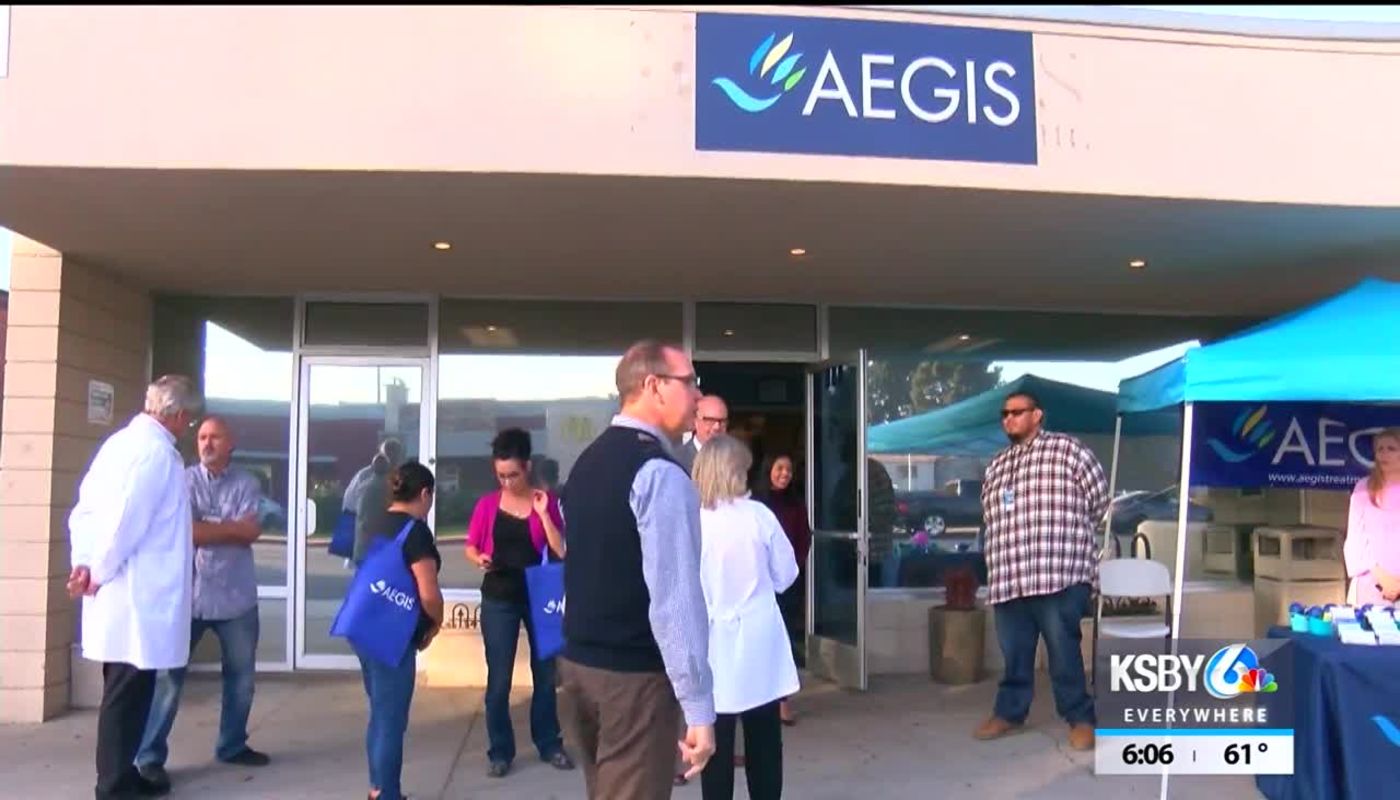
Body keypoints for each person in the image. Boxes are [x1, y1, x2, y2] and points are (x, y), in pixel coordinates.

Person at [558, 340, 717, 800]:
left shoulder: (587, 463)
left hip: (579, 667)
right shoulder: (659, 474)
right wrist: (699, 708)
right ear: (654, 386)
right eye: (690, 382)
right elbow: (675, 601)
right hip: (632, 680)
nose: (698, 395)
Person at [67, 375, 202, 800]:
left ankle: (123, 775)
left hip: (125, 590)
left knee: (131, 691)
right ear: (178, 415)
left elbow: (85, 511)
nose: (189, 427)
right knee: (126, 696)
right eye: (190, 420)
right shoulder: (154, 455)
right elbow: (126, 523)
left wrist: (84, 563)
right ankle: (112, 786)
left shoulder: (119, 445)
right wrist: (96, 571)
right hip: (136, 595)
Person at [135, 416, 271, 793]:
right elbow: (182, 531)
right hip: (186, 598)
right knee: (167, 680)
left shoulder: (247, 483)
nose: (207, 443)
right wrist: (228, 528)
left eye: (215, 437)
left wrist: (206, 528)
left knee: (241, 680)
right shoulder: (182, 481)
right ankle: (149, 758)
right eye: (202, 437)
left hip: (236, 598)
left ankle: (232, 745)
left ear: (231, 443)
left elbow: (250, 531)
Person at [974, 390, 1108, 753]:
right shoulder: (998, 464)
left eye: (1017, 412)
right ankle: (1009, 713)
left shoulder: (1069, 451)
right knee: (1014, 654)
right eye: (1004, 414)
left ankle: (1080, 719)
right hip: (1011, 576)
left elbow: (1099, 502)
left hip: (1058, 574)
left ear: (1037, 415)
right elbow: (991, 515)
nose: (1009, 419)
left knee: (1064, 653)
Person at [694, 435, 800, 800]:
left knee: (715, 741)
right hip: (758, 640)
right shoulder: (759, 516)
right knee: (765, 738)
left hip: (712, 641)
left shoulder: (693, 521)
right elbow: (786, 575)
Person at [464, 428, 574, 778]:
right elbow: (470, 546)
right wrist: (479, 558)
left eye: (513, 474)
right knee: (499, 680)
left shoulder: (547, 501)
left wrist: (543, 514)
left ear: (527, 467)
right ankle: (500, 751)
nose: (507, 482)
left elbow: (561, 550)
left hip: (539, 597)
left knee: (545, 675)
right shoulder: (487, 505)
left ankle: (549, 742)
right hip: (499, 596)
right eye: (501, 476)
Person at [353, 461, 444, 800]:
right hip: (392, 633)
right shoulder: (415, 532)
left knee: (379, 715)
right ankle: (387, 793)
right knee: (391, 720)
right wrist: (434, 625)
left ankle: (377, 787)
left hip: (364, 626)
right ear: (425, 493)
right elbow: (429, 593)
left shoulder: (373, 522)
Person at [754, 452, 811, 726]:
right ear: (769, 470)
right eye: (779, 468)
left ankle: (782, 703)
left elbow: (803, 540)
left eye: (788, 469)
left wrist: (791, 569)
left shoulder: (796, 504)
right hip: (758, 585)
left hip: (787, 585)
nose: (784, 474)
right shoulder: (755, 504)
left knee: (783, 642)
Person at [1345, 428, 1400, 604]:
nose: (1384, 454)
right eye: (1379, 449)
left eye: (1391, 449)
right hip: (1371, 583)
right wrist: (1383, 578)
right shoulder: (1363, 488)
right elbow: (1355, 539)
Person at [676, 394, 729, 475]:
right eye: (710, 420)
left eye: (722, 421)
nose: (717, 427)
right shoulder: (677, 460)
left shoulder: (736, 460)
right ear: (695, 421)